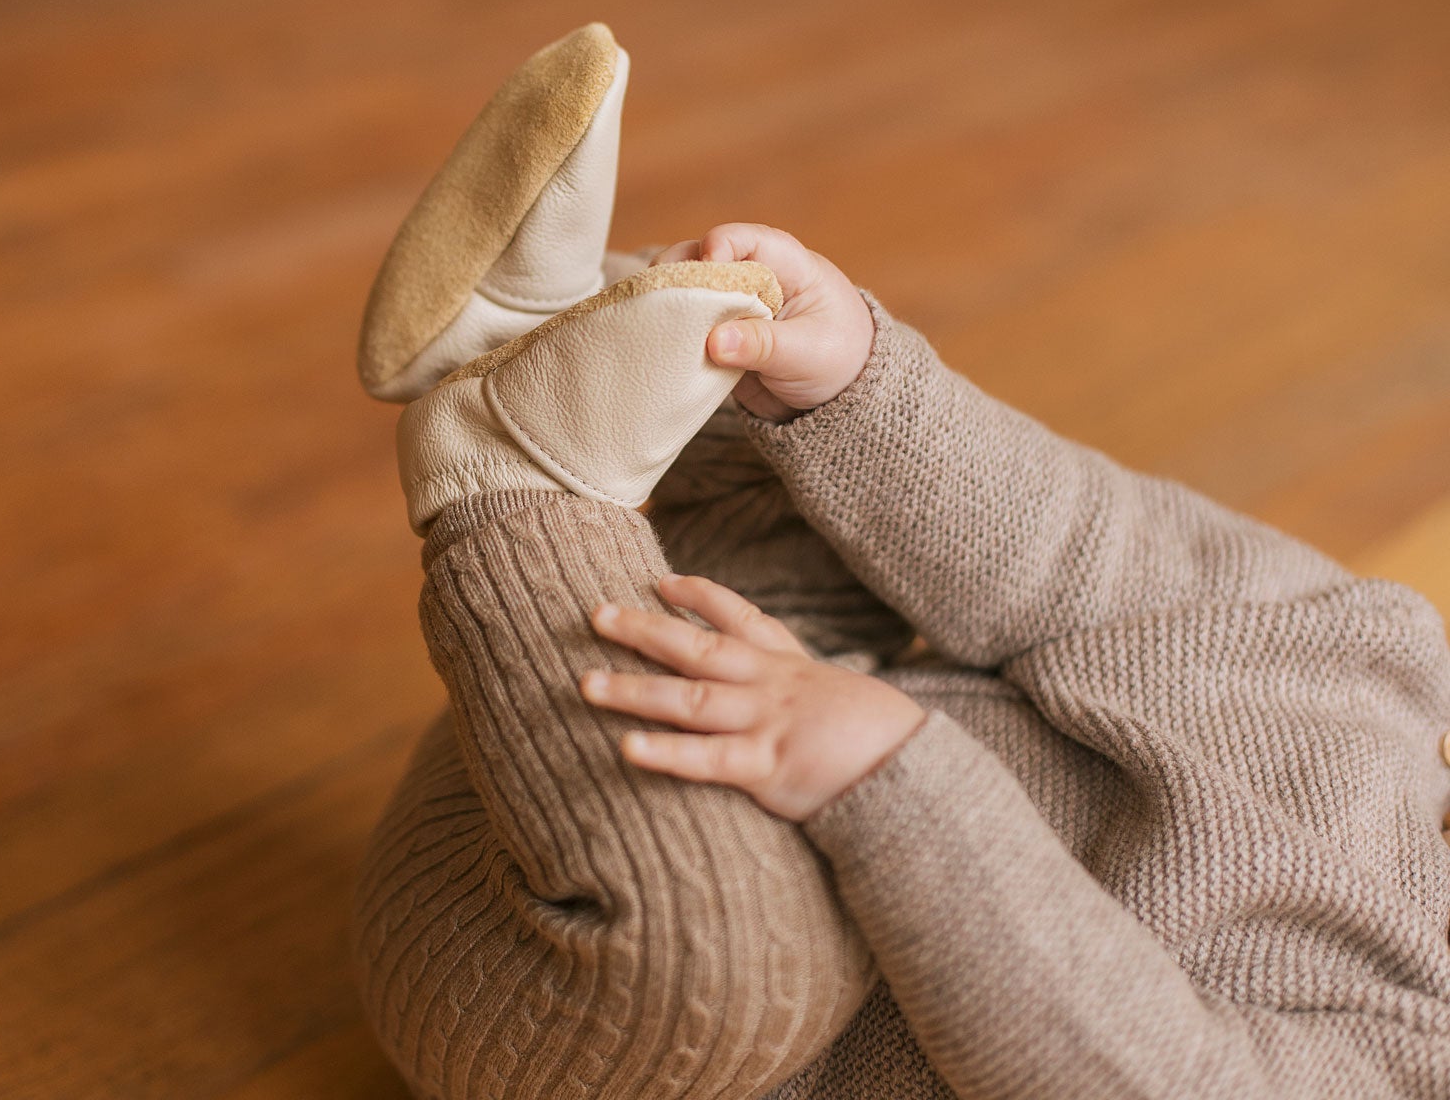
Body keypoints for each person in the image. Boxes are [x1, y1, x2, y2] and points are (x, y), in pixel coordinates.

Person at [352, 217, 1450, 1099]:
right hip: (569, 738)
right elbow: (1077, 541)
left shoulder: (1401, 1055)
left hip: (596, 983)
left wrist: (889, 776)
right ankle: (536, 334)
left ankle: (503, 473)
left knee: (737, 965)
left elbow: (1145, 1074)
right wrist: (859, 383)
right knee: (829, 473)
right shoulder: (1372, 656)